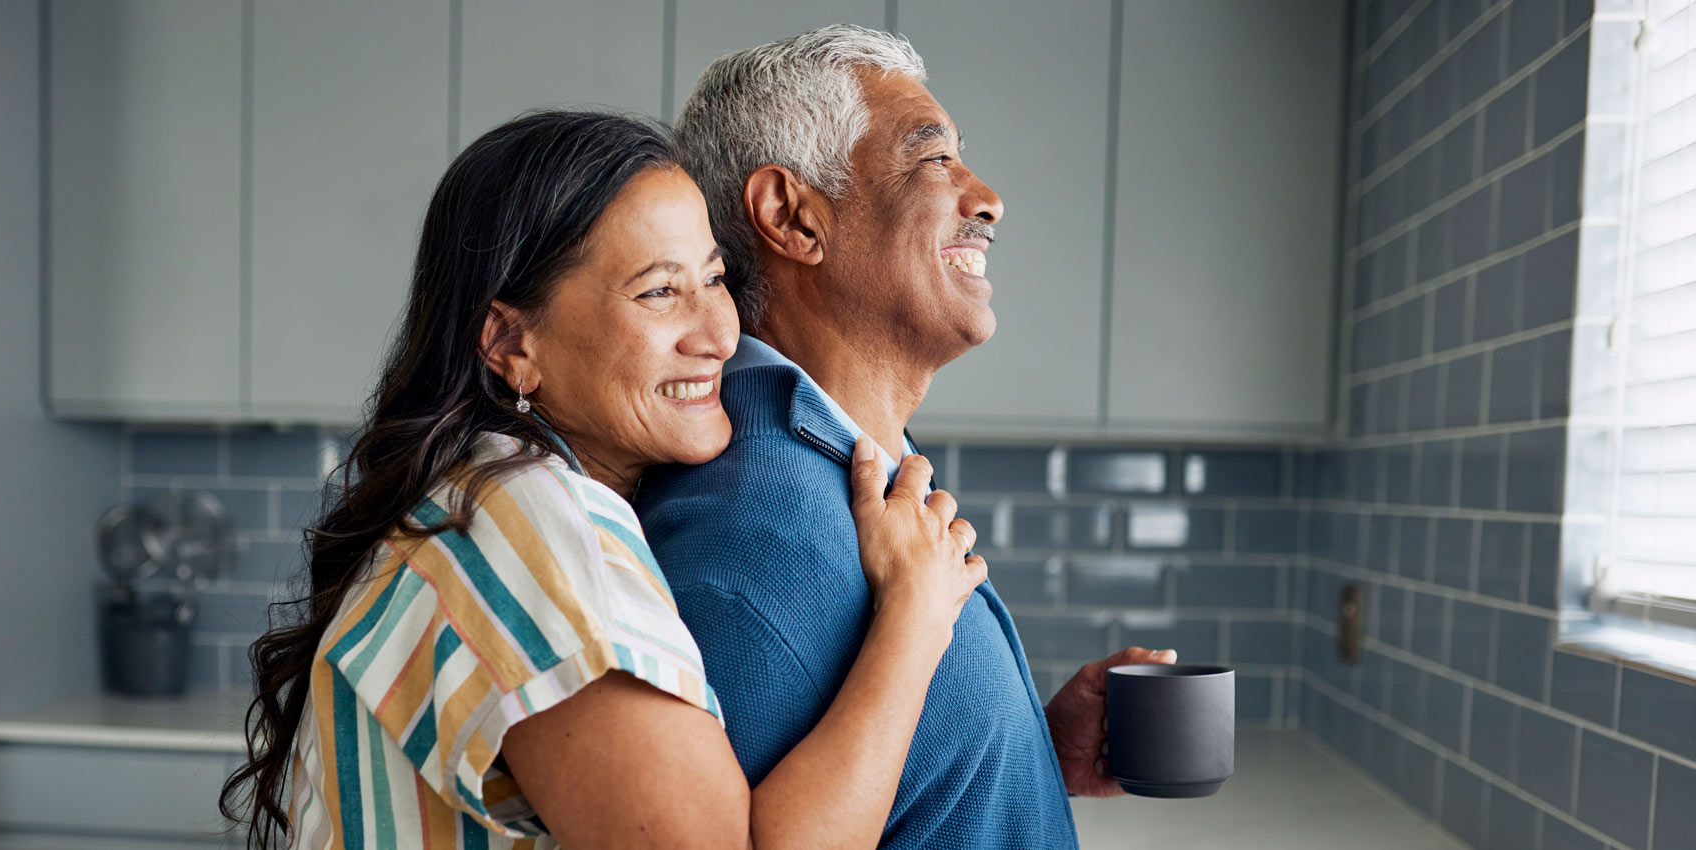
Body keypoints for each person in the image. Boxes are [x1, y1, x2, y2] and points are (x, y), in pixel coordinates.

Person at [221, 109, 989, 850]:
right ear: (511, 341)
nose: (721, 333)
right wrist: (916, 617)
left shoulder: (487, 498)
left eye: (714, 278)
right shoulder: (537, 534)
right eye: (658, 291)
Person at [637, 25, 1178, 849]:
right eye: (935, 160)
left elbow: (874, 784)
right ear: (793, 217)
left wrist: (1023, 747)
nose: (986, 197)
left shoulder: (845, 470)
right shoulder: (754, 524)